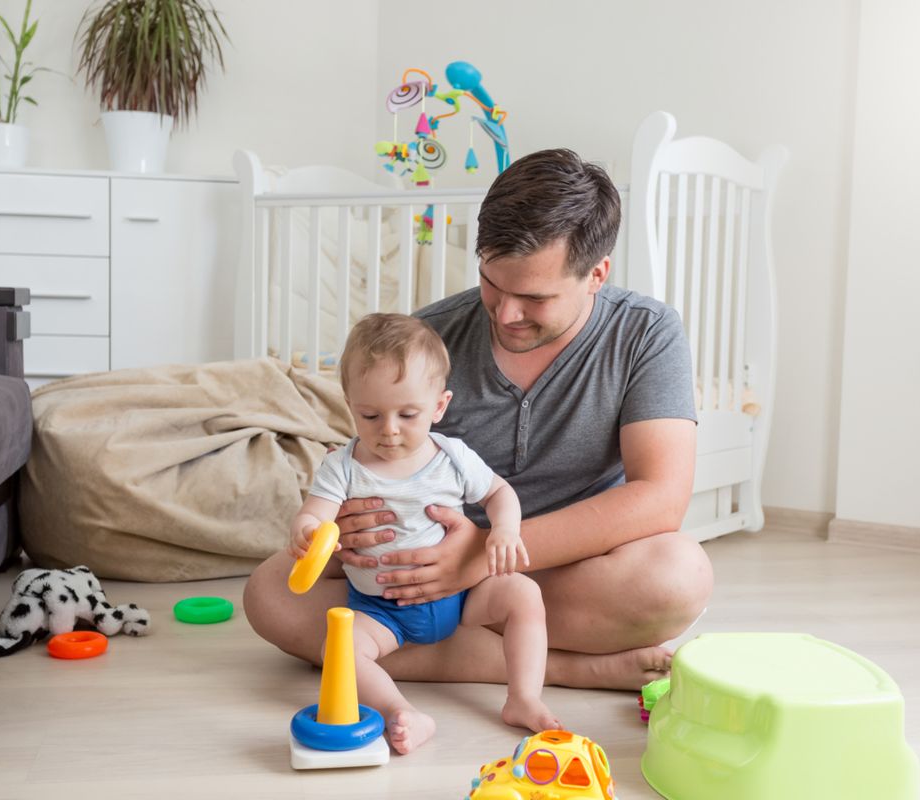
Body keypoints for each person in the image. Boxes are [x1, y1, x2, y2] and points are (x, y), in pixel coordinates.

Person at [245, 147, 711, 702]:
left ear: (596, 276)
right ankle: (568, 668)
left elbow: (660, 498)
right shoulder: (429, 339)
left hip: (565, 568)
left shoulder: (645, 334)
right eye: (493, 283)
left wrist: (477, 556)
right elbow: (371, 463)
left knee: (678, 575)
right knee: (270, 595)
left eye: (534, 297)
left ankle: (482, 642)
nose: (507, 313)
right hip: (424, 574)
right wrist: (348, 527)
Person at [288, 313, 559, 754]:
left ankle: (523, 697)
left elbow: (498, 492)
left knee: (524, 595)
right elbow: (314, 513)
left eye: (407, 414)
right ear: (350, 404)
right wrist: (306, 532)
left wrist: (504, 529)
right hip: (381, 611)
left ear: (439, 406)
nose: (389, 429)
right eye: (370, 414)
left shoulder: (453, 457)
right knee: (340, 649)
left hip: (460, 597)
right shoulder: (342, 466)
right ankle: (402, 711)